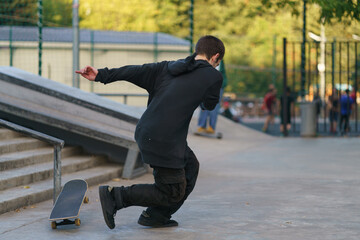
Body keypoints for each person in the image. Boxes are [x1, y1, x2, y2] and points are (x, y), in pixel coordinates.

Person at [76, 35, 225, 229]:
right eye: (217, 63)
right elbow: (209, 105)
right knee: (171, 192)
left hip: (150, 132)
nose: (216, 66)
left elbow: (134, 71)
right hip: (164, 140)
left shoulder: (167, 67)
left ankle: (155, 216)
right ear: (215, 57)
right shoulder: (213, 76)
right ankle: (116, 196)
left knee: (191, 167)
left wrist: (101, 75)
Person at [197, 60, 227, 134]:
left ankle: (211, 126)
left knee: (215, 105)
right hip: (208, 83)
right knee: (204, 103)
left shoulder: (218, 59)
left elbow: (216, 71)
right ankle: (202, 125)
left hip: (218, 84)